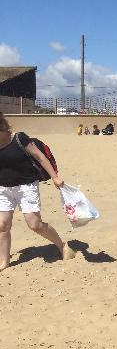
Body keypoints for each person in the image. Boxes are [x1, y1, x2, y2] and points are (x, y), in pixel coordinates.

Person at [0, 113, 74, 271]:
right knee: (2, 225)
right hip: (3, 189)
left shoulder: (19, 138)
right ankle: (4, 261)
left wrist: (55, 177)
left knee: (35, 225)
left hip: (26, 186)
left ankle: (61, 245)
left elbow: (40, 157)